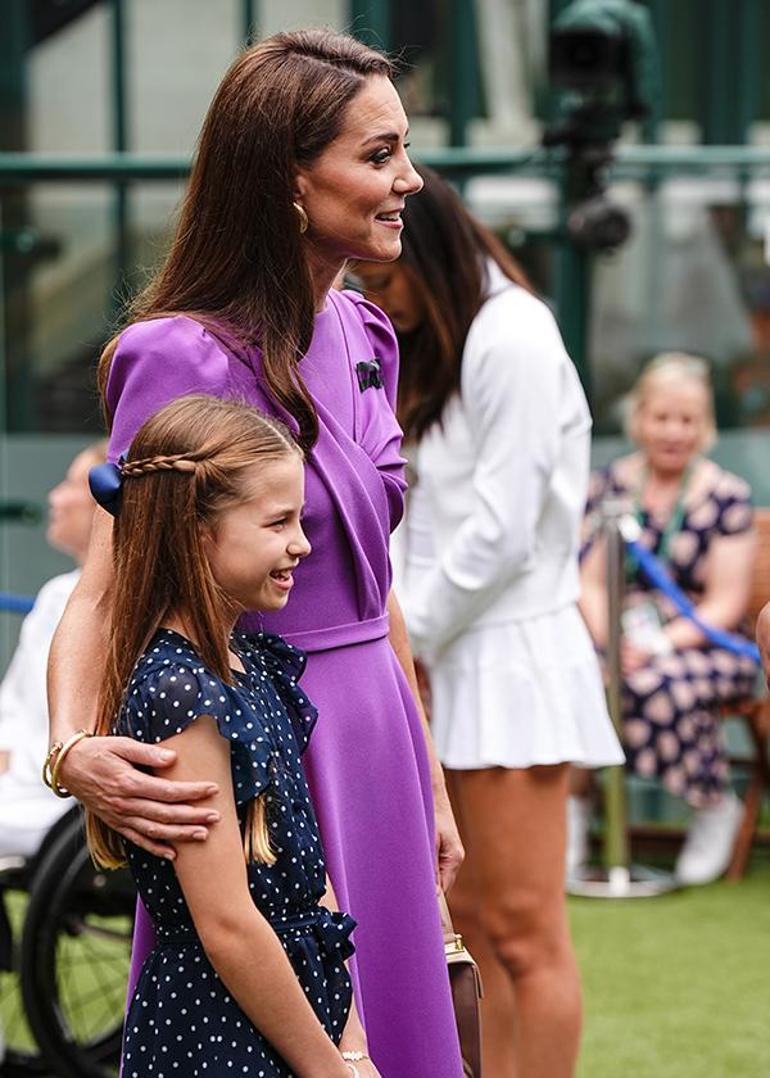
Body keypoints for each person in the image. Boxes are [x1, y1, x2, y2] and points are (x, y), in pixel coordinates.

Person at [45, 29, 464, 1077]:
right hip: (260, 743)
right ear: (287, 179)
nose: (409, 179)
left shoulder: (369, 332)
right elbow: (109, 585)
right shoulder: (178, 355)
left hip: (377, 731)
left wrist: (429, 779)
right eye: (377, 155)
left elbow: (375, 576)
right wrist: (70, 749)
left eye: (402, 150)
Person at [354, 166, 623, 1078]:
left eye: (388, 280)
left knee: (521, 929)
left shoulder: (512, 333)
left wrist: (403, 641)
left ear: (431, 252)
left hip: (509, 658)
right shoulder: (446, 340)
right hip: (441, 653)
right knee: (464, 930)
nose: (380, 300)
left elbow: (504, 531)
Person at [82, 395, 373, 1077]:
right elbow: (229, 925)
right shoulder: (183, 696)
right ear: (196, 533)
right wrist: (328, 1069)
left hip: (304, 1024)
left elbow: (311, 883)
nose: (302, 543)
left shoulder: (254, 664)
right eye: (278, 522)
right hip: (217, 1038)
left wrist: (352, 1042)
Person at [578, 352, 757, 886]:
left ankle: (710, 803)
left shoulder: (726, 496)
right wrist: (612, 642)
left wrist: (655, 646)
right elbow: (587, 582)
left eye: (687, 420)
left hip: (703, 643)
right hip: (615, 636)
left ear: (704, 426)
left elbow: (724, 604)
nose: (673, 431)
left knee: (658, 683)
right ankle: (576, 812)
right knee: (575, 678)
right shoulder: (609, 487)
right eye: (662, 417)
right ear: (640, 420)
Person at [0, 440, 105, 859]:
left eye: (70, 484)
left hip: (57, 803)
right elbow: (13, 705)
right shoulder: (55, 595)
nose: (55, 498)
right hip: (18, 782)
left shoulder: (131, 609)